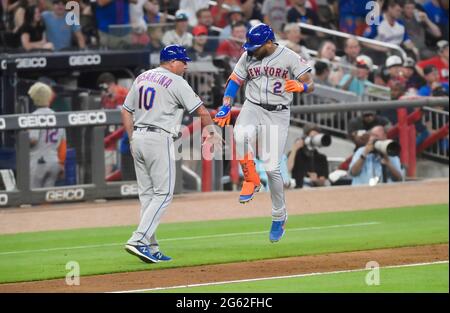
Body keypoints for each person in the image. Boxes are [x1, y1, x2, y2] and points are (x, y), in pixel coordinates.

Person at [213, 23, 314, 243]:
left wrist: (302, 87)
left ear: (269, 42)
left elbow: (310, 83)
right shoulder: (249, 55)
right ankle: (250, 178)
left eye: (255, 46)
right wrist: (226, 105)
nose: (250, 50)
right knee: (239, 136)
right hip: (253, 105)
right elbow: (234, 81)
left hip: (278, 113)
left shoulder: (289, 56)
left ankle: (279, 215)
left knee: (271, 167)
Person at [121, 45, 222, 263]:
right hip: (158, 138)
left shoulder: (142, 77)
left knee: (148, 196)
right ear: (172, 62)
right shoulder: (177, 81)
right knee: (164, 194)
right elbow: (201, 110)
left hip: (138, 137)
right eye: (183, 61)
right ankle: (138, 240)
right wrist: (212, 132)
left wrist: (132, 138)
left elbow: (126, 110)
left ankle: (151, 246)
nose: (186, 65)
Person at [27, 82, 67, 188]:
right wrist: (61, 164)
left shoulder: (34, 116)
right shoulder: (58, 116)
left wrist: (21, 138)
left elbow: (33, 139)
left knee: (34, 197)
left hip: (38, 161)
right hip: (54, 161)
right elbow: (63, 144)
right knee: (47, 198)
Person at [287, 124, 329, 189]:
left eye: (317, 137)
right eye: (312, 137)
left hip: (315, 193)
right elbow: (287, 169)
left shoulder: (322, 158)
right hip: (297, 192)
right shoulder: (296, 154)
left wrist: (316, 180)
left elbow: (323, 181)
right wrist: (294, 149)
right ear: (305, 137)